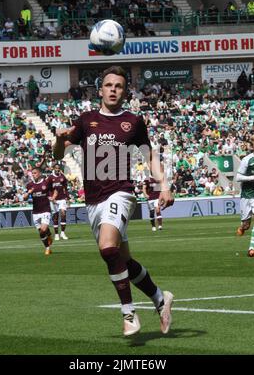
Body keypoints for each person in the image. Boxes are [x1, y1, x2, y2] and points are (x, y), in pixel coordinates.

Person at [53, 66, 175, 337]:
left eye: (118, 86)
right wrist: (59, 140)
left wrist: (163, 185)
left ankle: (128, 313)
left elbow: (149, 156)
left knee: (108, 249)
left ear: (124, 92)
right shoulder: (85, 120)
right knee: (122, 260)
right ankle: (160, 299)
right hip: (93, 202)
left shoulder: (133, 121)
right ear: (100, 90)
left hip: (120, 193)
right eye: (108, 85)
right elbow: (58, 155)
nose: (113, 90)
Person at [23, 167, 57, 255]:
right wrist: (29, 192)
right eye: (32, 173)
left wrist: (53, 198)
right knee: (42, 233)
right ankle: (48, 245)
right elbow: (24, 198)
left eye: (35, 173)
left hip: (45, 210)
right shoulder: (30, 185)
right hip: (35, 212)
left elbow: (55, 191)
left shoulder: (46, 183)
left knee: (43, 230)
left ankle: (47, 248)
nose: (33, 175)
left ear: (40, 173)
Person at [47, 164, 69, 241]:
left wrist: (68, 199)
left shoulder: (63, 177)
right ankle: (56, 234)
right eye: (56, 168)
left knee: (63, 214)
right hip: (53, 199)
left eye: (58, 168)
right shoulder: (50, 177)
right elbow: (47, 189)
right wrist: (51, 198)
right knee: (55, 217)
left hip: (62, 198)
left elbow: (65, 188)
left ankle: (62, 233)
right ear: (53, 168)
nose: (57, 169)